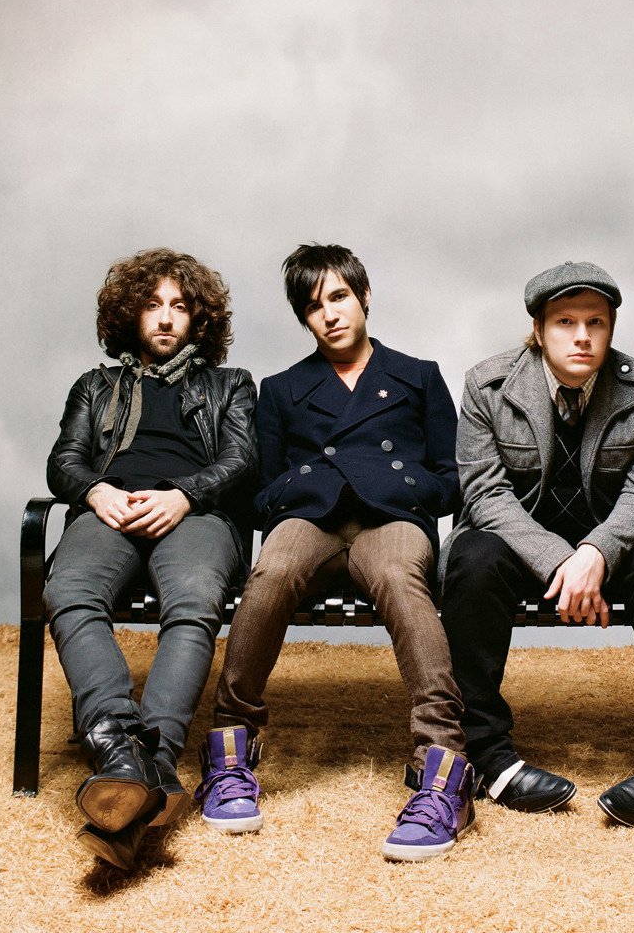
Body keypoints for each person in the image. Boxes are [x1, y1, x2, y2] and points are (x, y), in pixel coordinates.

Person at [197, 244, 473, 862]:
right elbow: (263, 489)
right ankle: (229, 749)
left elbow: (450, 479)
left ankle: (443, 768)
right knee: (271, 572)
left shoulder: (418, 374)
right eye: (314, 306)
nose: (330, 314)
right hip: (311, 514)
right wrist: (321, 480)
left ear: (365, 295)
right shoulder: (282, 389)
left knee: (403, 580)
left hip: (393, 517)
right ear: (304, 318)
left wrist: (389, 481)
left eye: (340, 296)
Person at [441, 262, 634, 825]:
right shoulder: (486, 385)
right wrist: (560, 561)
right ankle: (489, 758)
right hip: (517, 541)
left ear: (612, 329)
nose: (582, 336)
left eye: (596, 322)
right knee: (472, 560)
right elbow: (485, 494)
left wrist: (593, 554)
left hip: (608, 542)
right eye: (565, 321)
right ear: (539, 330)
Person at [44, 247, 257, 870]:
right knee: (69, 590)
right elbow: (64, 459)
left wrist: (186, 494)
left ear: (200, 319)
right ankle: (127, 751)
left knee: (194, 604)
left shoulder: (229, 384)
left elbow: (242, 460)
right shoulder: (96, 385)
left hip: (195, 514)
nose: (165, 319)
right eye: (152, 305)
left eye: (179, 307)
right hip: (110, 511)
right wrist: (94, 490)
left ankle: (148, 757)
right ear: (129, 315)